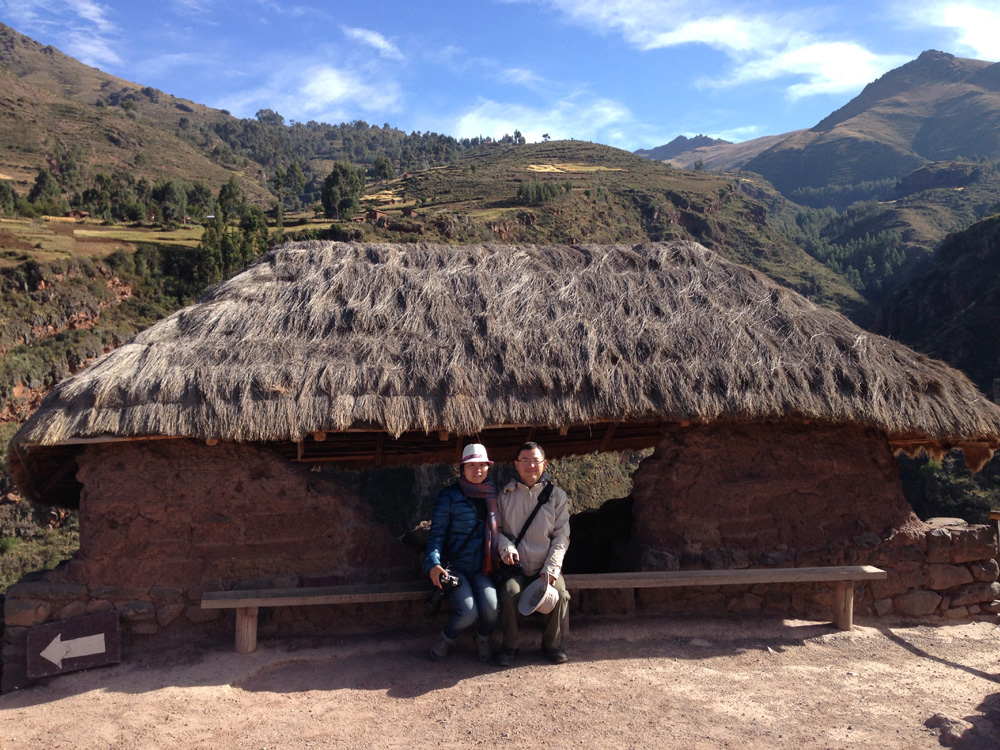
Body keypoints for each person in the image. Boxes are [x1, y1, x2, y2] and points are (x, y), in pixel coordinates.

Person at [423, 443, 501, 662]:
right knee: (468, 612)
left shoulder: (494, 495)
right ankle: (446, 638)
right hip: (455, 568)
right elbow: (436, 535)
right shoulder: (448, 497)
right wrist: (433, 564)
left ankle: (483, 638)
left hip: (482, 569)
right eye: (471, 465)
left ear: (488, 467)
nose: (477, 470)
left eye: (482, 465)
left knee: (492, 608)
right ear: (462, 468)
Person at [495, 441, 571, 666]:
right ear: (516, 465)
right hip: (515, 568)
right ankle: (510, 646)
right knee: (509, 594)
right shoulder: (504, 496)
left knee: (560, 595)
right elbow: (496, 531)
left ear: (544, 464)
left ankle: (553, 644)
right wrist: (505, 548)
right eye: (525, 461)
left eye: (535, 461)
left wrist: (552, 567)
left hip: (544, 565)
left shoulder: (557, 497)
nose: (531, 465)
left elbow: (561, 536)